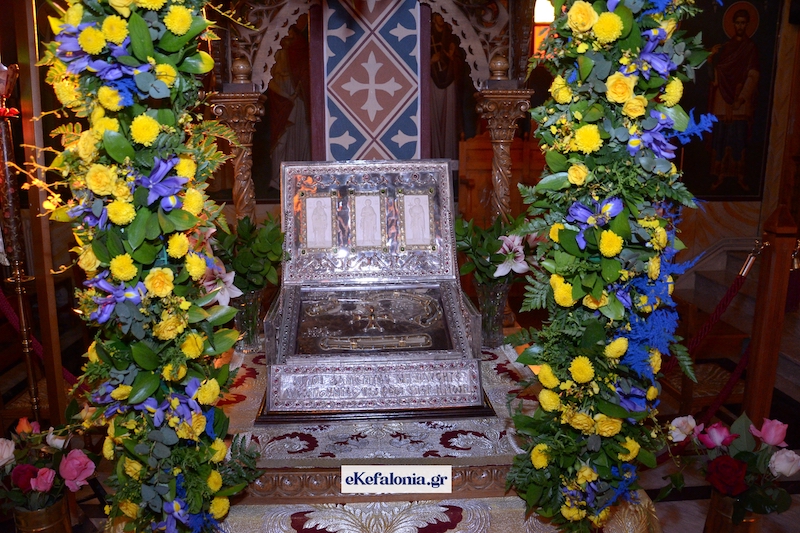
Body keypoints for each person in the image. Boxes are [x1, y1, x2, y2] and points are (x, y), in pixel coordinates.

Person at [708, 7, 760, 191]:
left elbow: (753, 75)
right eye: (737, 23)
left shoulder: (750, 48)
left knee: (738, 138)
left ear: (747, 25)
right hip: (723, 99)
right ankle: (718, 175)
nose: (740, 26)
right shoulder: (726, 48)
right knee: (720, 137)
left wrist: (742, 98)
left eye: (743, 23)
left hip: (740, 100)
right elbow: (716, 77)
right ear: (733, 24)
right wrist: (710, 59)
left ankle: (739, 176)